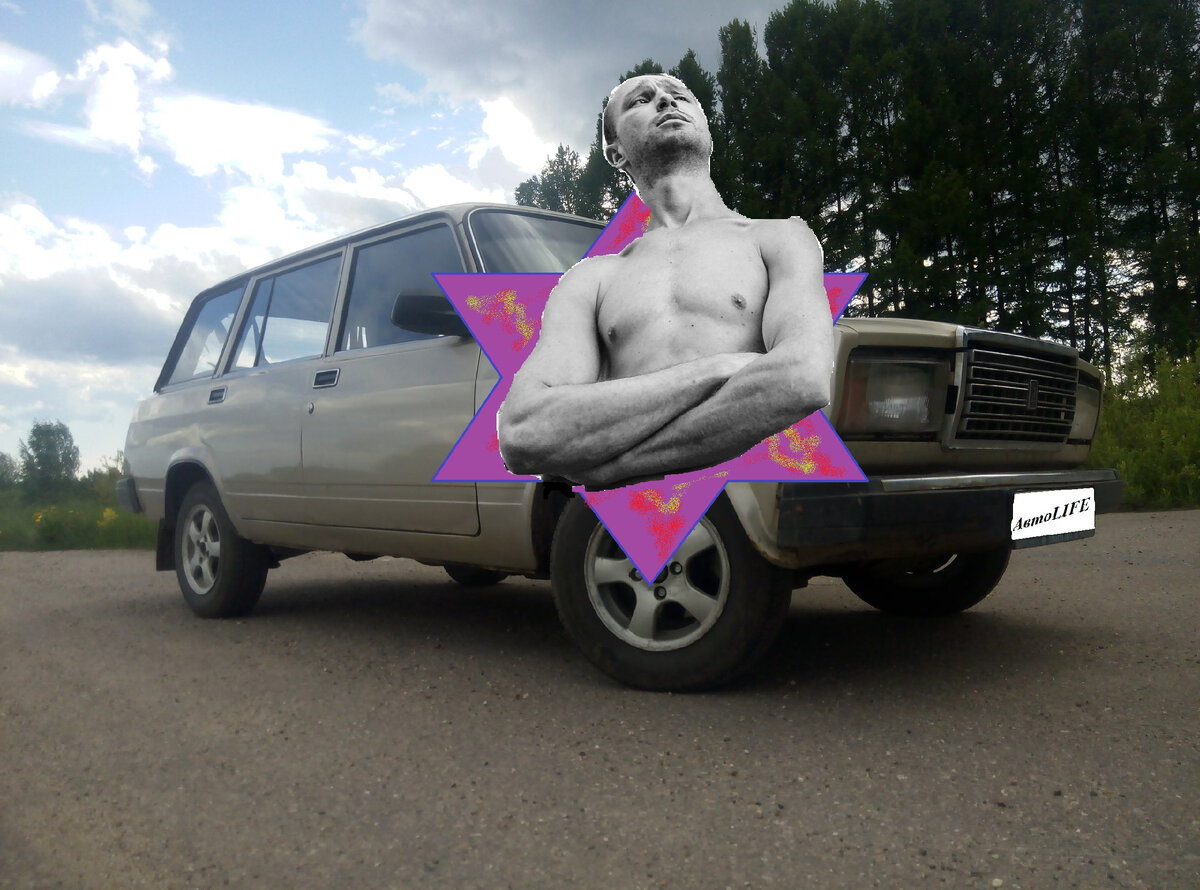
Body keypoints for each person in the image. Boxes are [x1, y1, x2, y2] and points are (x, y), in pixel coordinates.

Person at [498, 73, 832, 489]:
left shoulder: (779, 237)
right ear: (616, 152)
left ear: (707, 129)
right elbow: (524, 433)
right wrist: (719, 368)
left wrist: (619, 467)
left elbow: (803, 377)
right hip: (628, 520)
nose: (665, 101)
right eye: (641, 100)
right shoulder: (591, 280)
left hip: (756, 497)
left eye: (680, 96)